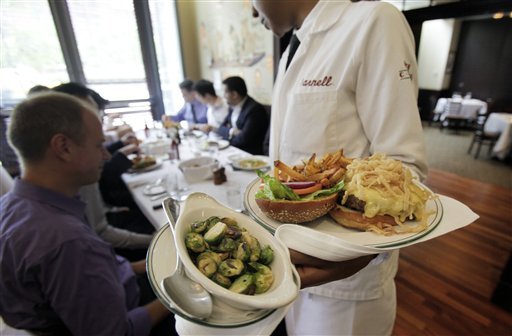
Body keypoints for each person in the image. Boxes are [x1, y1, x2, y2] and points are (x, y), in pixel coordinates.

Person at [252, 0, 428, 335]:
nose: (250, 10)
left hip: (346, 288)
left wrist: (358, 256)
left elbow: (405, 167)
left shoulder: (374, 22)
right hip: (292, 266)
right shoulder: (292, 49)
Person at [0, 92, 175, 335]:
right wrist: (176, 295)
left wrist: (144, 265)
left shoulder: (12, 205)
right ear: (64, 147)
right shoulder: (67, 241)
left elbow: (97, 269)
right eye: (98, 145)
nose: (105, 155)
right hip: (128, 311)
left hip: (116, 286)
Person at [217, 76, 269, 155]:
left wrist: (227, 139)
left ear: (234, 94)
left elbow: (243, 139)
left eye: (225, 92)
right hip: (235, 150)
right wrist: (232, 131)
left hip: (250, 154)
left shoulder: (255, 110)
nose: (223, 96)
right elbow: (220, 128)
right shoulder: (233, 106)